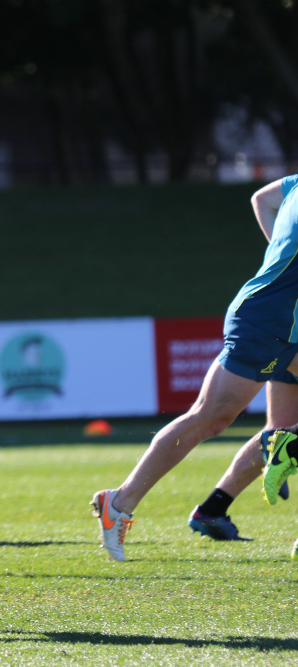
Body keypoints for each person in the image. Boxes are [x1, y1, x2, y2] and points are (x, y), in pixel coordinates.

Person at [92, 175, 298, 562]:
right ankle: (119, 502)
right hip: (271, 323)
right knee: (209, 419)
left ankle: (283, 446)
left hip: (282, 319)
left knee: (249, 424)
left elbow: (262, 197)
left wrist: (280, 255)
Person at [185, 378, 296, 541]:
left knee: (280, 430)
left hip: (284, 354)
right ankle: (287, 451)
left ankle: (214, 507)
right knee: (279, 435)